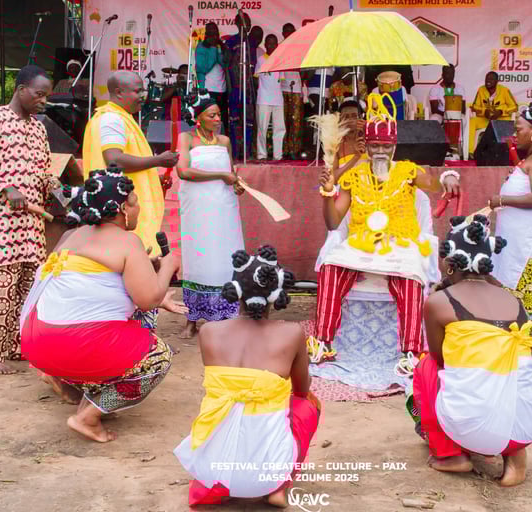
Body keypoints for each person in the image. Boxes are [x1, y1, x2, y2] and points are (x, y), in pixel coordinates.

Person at [20, 168, 180, 443]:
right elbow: (149, 298)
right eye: (135, 201)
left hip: (38, 343)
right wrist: (169, 266)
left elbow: (91, 286)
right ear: (122, 209)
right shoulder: (129, 241)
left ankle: (70, 381)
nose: (139, 207)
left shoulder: (72, 235)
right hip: (76, 343)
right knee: (158, 358)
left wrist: (147, 272)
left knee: (142, 316)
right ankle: (88, 416)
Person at [308, 93, 460, 367]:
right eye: (374, 146)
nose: (380, 152)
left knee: (411, 271)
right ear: (366, 147)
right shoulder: (354, 175)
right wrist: (327, 193)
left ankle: (410, 352)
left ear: (394, 147)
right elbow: (332, 223)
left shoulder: (407, 171)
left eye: (385, 147)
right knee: (331, 264)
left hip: (400, 243)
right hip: (360, 244)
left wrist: (447, 178)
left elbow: (433, 183)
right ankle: (323, 342)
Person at [410, 214, 532, 487]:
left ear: (450, 262)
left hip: (473, 428)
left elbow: (441, 359)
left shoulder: (439, 302)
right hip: (529, 425)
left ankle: (451, 455)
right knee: (512, 372)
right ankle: (515, 454)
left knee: (426, 366)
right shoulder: (512, 299)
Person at [174, 245, 320, 508]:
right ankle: (277, 487)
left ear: (234, 289)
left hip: (212, 472)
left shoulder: (208, 332)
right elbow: (301, 389)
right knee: (308, 404)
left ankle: (223, 486)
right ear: (277, 292)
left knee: (226, 408)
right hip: (266, 475)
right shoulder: (292, 333)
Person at [0, 65, 60, 374]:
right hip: (0, 225)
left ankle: (19, 347)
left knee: (28, 290)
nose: (44, 101)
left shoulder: (38, 128)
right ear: (21, 90)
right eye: (39, 94)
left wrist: (58, 188)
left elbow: (44, 171)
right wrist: (6, 188)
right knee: (0, 290)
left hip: (31, 228)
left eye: (47, 96)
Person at [83, 71, 178, 257]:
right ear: (119, 92)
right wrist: (158, 161)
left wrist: (152, 178)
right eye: (137, 91)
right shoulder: (112, 119)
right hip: (121, 212)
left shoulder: (119, 118)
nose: (143, 96)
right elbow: (114, 160)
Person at [489, 104, 532, 345]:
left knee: (531, 297)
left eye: (518, 129)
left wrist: (502, 199)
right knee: (513, 295)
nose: (514, 134)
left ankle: (530, 346)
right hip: (519, 246)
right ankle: (513, 343)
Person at [175, 98, 246, 339]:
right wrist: (221, 175)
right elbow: (183, 171)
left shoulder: (224, 141)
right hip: (198, 209)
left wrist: (237, 184)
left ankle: (226, 316)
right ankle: (192, 319)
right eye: (211, 116)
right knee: (199, 258)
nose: (217, 120)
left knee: (225, 259)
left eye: (218, 115)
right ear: (198, 117)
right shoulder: (186, 138)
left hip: (224, 207)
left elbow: (232, 173)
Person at [226, 12, 257, 160]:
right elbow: (226, 65)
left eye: (249, 22)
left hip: (249, 88)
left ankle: (247, 151)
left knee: (249, 121)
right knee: (234, 120)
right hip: (235, 87)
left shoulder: (252, 42)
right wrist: (230, 86)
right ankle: (235, 152)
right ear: (238, 24)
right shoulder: (232, 41)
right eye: (245, 22)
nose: (248, 25)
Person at [255, 34, 287, 161]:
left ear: (277, 45)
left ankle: (277, 155)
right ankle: (262, 154)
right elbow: (257, 78)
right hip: (263, 99)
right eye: (269, 43)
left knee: (279, 128)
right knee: (262, 127)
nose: (271, 46)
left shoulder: (280, 59)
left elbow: (281, 80)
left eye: (274, 43)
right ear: (265, 45)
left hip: (278, 99)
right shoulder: (260, 59)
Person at [195, 23, 229, 129]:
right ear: (206, 34)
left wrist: (220, 51)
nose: (214, 35)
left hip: (222, 90)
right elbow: (202, 68)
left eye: (216, 32)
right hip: (208, 89)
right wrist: (214, 50)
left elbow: (226, 65)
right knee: (209, 120)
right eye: (211, 33)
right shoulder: (201, 47)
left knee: (222, 121)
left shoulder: (222, 46)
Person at [281, 23, 303, 160]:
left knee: (295, 121)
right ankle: (284, 150)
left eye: (291, 31)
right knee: (283, 121)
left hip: (296, 89)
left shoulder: (301, 48)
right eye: (286, 31)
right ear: (283, 33)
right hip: (282, 88)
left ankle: (294, 150)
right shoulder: (279, 47)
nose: (288, 34)